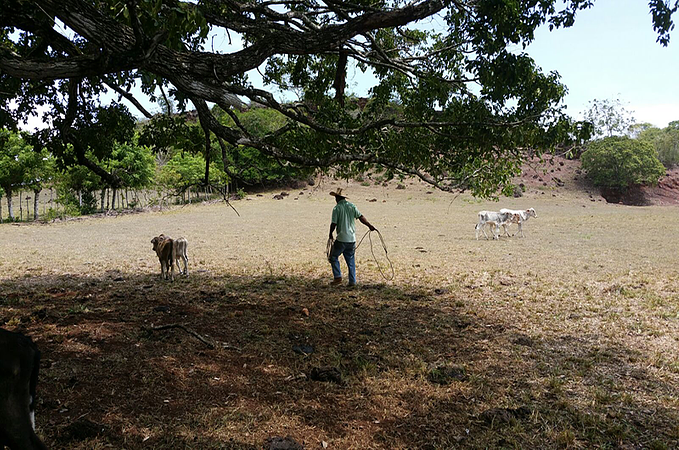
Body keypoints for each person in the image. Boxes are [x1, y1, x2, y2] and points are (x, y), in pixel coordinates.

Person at [328, 188, 377, 286]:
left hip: (341, 238)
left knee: (333, 257)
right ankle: (352, 281)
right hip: (352, 239)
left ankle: (337, 277)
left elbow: (334, 223)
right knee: (350, 260)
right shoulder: (352, 206)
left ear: (337, 198)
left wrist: (330, 234)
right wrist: (370, 225)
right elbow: (361, 217)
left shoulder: (336, 208)